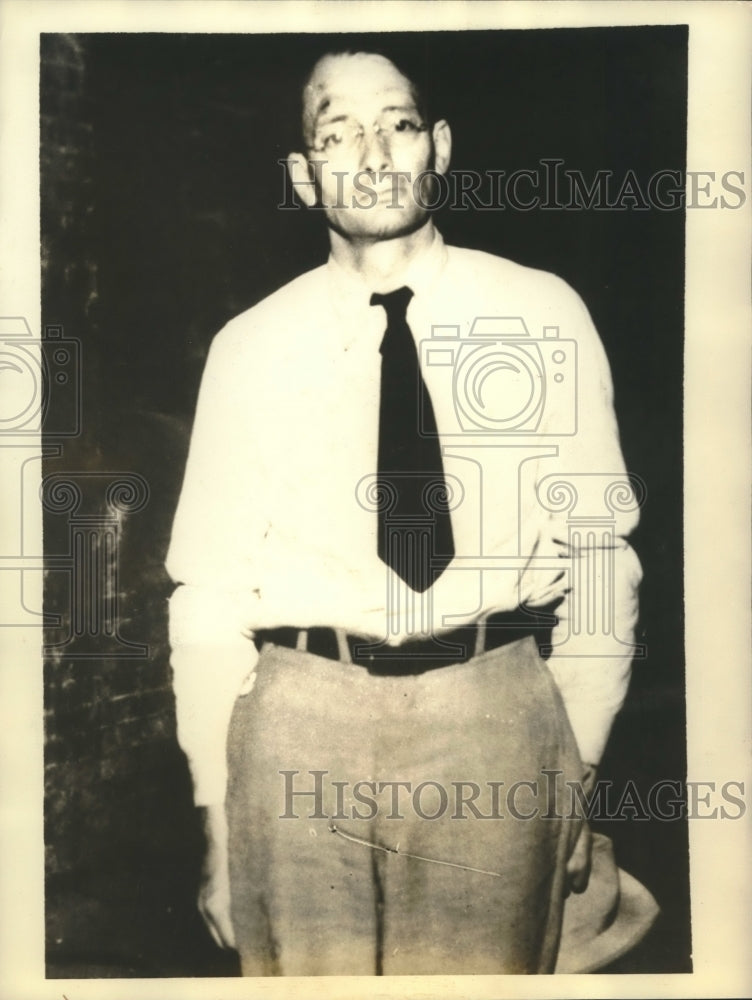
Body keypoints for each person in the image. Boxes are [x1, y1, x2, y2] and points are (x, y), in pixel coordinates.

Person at [165, 48, 642, 976]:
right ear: (303, 176)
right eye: (337, 133)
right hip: (298, 727)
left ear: (441, 148)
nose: (374, 154)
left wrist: (575, 769)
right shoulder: (250, 347)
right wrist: (219, 825)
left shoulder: (541, 313)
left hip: (492, 718)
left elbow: (599, 555)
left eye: (399, 124)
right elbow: (207, 592)